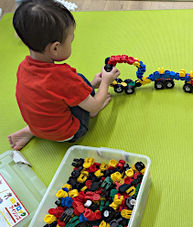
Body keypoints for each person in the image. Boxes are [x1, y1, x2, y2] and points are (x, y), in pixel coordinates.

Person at [8, 0, 120, 150]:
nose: (71, 43)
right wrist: (106, 81)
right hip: (70, 133)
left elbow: (50, 96)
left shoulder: (23, 68)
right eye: (70, 40)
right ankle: (38, 130)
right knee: (77, 80)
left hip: (40, 127)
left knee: (72, 86)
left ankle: (31, 130)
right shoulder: (63, 78)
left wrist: (91, 84)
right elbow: (93, 107)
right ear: (55, 48)